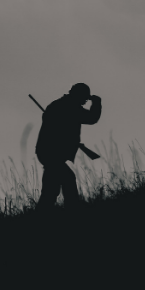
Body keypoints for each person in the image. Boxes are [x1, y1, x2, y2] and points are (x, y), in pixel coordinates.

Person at [35, 83, 102, 212]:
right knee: (67, 182)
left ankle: (42, 214)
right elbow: (92, 118)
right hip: (54, 154)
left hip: (49, 152)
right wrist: (97, 103)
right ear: (79, 95)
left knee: (52, 188)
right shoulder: (71, 107)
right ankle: (73, 211)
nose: (85, 101)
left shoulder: (57, 105)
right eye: (85, 98)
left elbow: (51, 120)